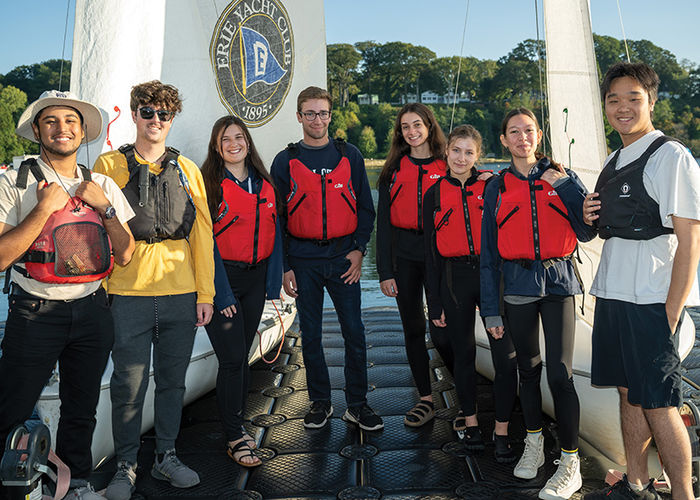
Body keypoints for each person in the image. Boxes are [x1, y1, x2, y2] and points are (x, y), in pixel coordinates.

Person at [0, 90, 136, 499]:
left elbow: (126, 254)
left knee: (83, 408)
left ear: (83, 131)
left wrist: (105, 208)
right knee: (11, 409)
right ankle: (11, 489)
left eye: (71, 121)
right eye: (52, 121)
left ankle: (76, 484)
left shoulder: (103, 184)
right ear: (38, 130)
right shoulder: (14, 181)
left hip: (93, 310)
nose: (63, 129)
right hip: (35, 312)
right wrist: (42, 209)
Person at [583, 63, 700, 500]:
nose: (623, 107)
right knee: (628, 392)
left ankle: (684, 495)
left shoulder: (672, 157)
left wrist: (670, 312)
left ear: (651, 101)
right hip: (612, 295)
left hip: (652, 301)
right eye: (613, 99)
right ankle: (636, 483)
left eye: (634, 97)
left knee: (661, 404)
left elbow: (691, 241)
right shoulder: (614, 161)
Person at [94, 81, 215, 500]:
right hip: (128, 295)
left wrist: (206, 295)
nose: (156, 121)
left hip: (181, 294)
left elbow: (203, 236)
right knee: (129, 385)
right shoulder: (109, 164)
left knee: (172, 382)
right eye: (148, 112)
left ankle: (167, 456)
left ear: (172, 119)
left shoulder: (188, 170)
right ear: (134, 114)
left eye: (164, 114)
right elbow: (93, 230)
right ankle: (125, 464)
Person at [481, 108, 596, 500]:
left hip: (560, 283)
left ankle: (569, 462)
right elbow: (488, 256)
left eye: (528, 130)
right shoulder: (495, 186)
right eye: (514, 131)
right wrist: (490, 309)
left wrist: (561, 185)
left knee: (560, 375)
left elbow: (587, 230)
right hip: (517, 285)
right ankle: (533, 444)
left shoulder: (562, 176)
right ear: (504, 140)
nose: (522, 137)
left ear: (539, 134)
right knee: (527, 370)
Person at [270, 86, 382, 431]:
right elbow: (277, 220)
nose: (317, 119)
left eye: (323, 113)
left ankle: (357, 404)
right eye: (310, 113)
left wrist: (359, 250)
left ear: (330, 116)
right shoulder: (285, 160)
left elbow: (366, 208)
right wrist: (286, 265)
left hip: (342, 258)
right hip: (303, 261)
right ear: (299, 117)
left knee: (354, 332)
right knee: (313, 335)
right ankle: (320, 403)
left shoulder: (350, 155)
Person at [423, 125, 518, 461]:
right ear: (446, 152)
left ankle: (503, 430)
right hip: (454, 278)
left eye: (468, 152)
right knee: (462, 355)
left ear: (478, 155)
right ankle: (472, 423)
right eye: (455, 151)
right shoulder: (432, 194)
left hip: (493, 275)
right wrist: (434, 301)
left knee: (505, 358)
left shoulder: (493, 185)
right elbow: (430, 253)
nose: (461, 158)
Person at [200, 115, 283, 467]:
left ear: (247, 142)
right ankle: (234, 437)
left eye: (239, 137)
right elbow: (205, 245)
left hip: (254, 280)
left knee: (243, 359)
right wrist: (220, 293)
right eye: (225, 140)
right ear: (217, 148)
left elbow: (276, 234)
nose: (234, 144)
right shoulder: (210, 186)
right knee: (232, 360)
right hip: (224, 282)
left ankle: (239, 424)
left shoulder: (264, 184)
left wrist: (273, 282)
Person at [375, 103, 455, 428]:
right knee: (412, 329)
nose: (412, 131)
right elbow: (383, 226)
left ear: (429, 126)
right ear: (400, 132)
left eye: (417, 124)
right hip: (404, 257)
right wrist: (384, 271)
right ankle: (425, 399)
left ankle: (464, 395)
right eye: (405, 126)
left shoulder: (448, 165)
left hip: (440, 258)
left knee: (443, 330)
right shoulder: (392, 171)